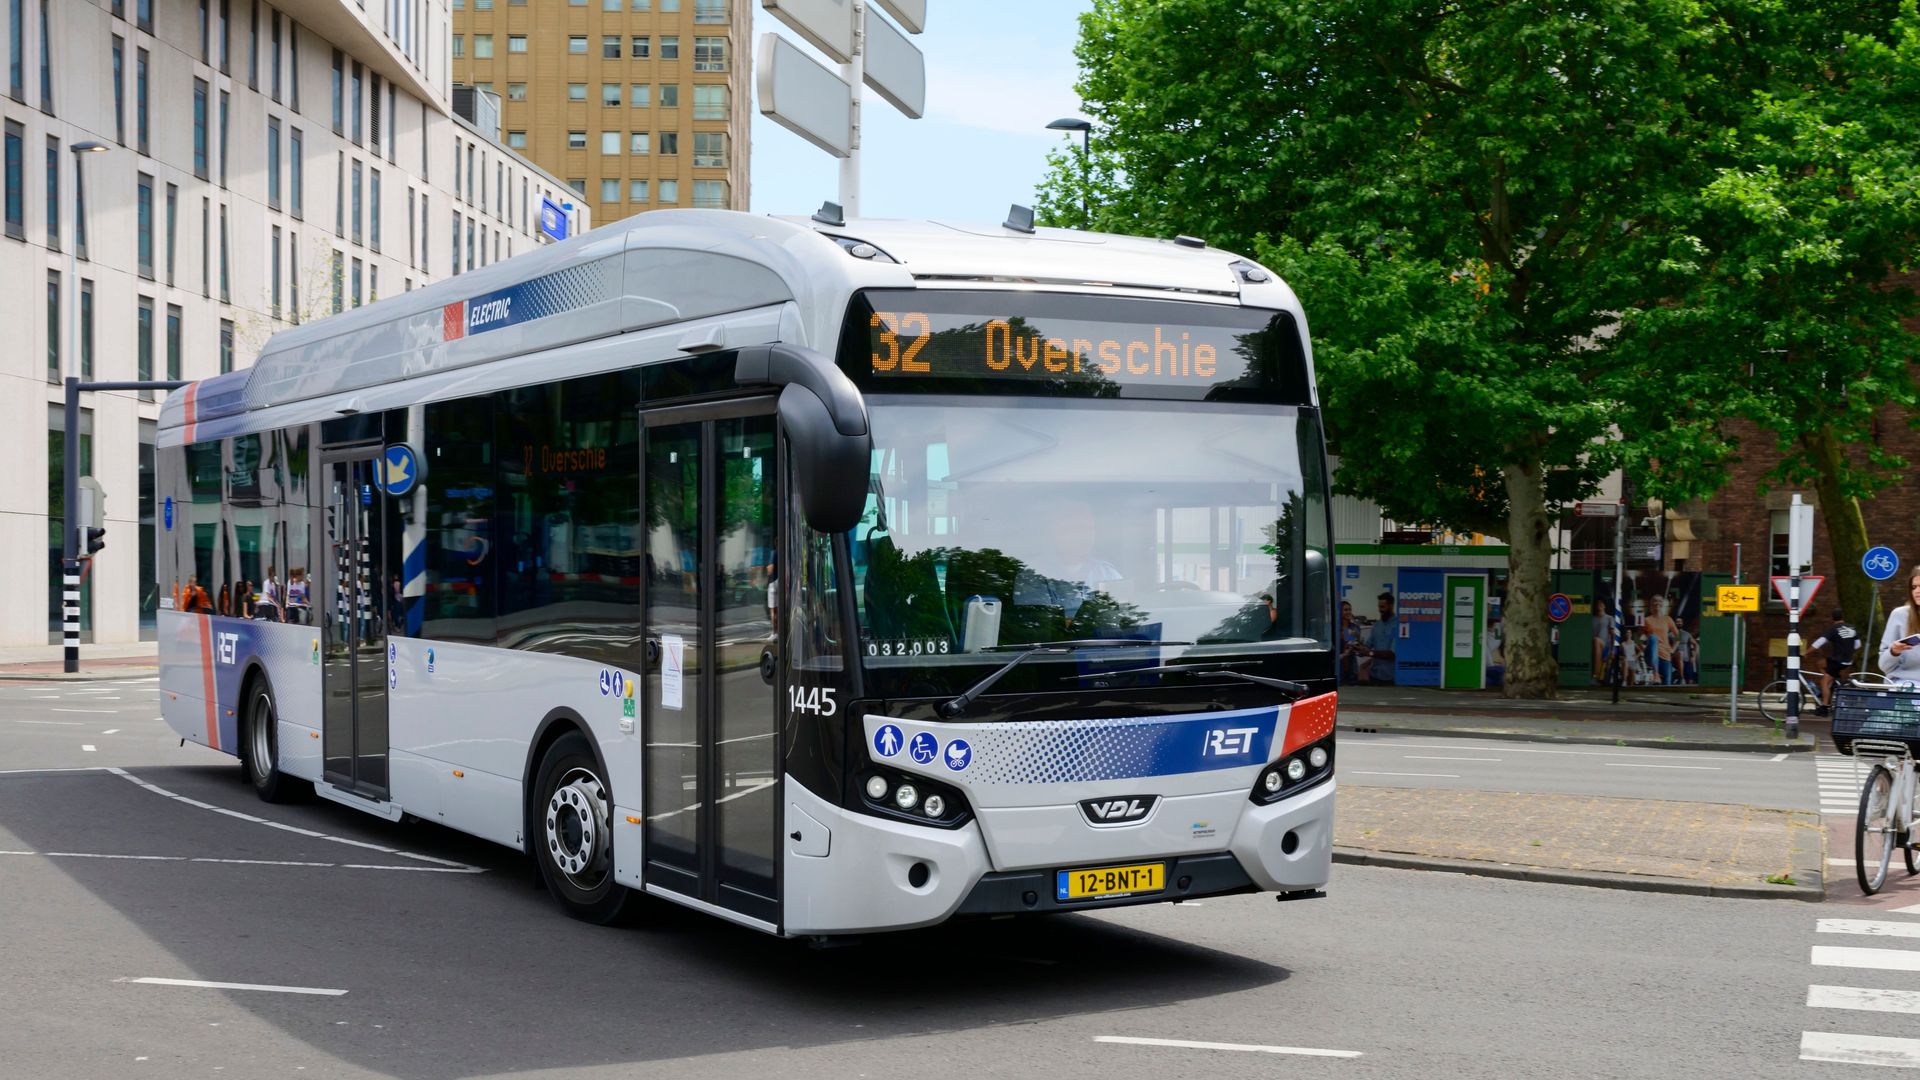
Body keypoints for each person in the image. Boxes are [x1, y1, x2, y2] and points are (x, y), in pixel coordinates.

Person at [1810, 607, 1859, 711]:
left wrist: (1806, 652)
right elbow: (1858, 645)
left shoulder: (1833, 629)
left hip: (1837, 661)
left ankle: (1824, 706)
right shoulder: (1852, 628)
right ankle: (1830, 682)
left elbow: (1819, 643)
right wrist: (1847, 648)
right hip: (1847, 660)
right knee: (1820, 663)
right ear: (1843, 617)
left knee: (1823, 682)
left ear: (1833, 618)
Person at [1881, 569, 1920, 687]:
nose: (1917, 591)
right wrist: (1893, 652)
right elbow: (1884, 666)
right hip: (1905, 686)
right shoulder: (1900, 615)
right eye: (1914, 587)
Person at [1355, 591, 1398, 684]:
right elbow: (1368, 645)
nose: (1380, 610)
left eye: (1383, 607)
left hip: (1391, 678)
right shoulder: (1377, 625)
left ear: (1391, 606)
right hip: (1374, 675)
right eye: (1379, 606)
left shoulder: (1398, 625)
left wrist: (1369, 653)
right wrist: (1360, 648)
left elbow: (1392, 654)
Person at [1641, 594, 1679, 685]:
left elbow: (1678, 636)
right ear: (1651, 605)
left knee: (1667, 685)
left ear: (1662, 604)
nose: (1657, 602)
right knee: (1653, 638)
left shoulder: (1667, 619)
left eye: (1659, 601)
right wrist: (1643, 649)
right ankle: (1655, 674)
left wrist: (1673, 649)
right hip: (1651, 655)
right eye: (1654, 600)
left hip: (1665, 654)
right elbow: (1636, 636)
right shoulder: (1646, 620)